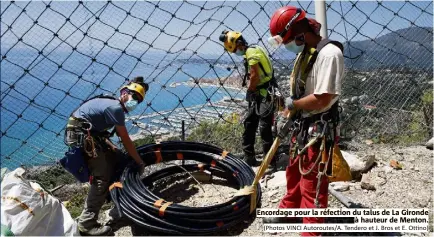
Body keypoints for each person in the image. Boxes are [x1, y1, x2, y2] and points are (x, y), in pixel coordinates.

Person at [264, 6, 345, 237]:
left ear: (300, 34)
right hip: (303, 125)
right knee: (294, 172)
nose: (289, 46)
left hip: (319, 126)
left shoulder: (329, 54)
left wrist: (293, 105)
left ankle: (312, 230)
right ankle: (290, 210)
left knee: (313, 181)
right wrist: (292, 110)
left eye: (290, 40)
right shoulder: (307, 52)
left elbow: (323, 98)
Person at [64, 77, 149, 236]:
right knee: (102, 177)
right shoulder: (115, 108)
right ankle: (86, 224)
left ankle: (121, 202)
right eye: (133, 96)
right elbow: (126, 139)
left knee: (119, 159)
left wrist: (112, 148)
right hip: (82, 137)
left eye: (138, 100)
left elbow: (98, 129)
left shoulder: (110, 103)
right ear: (124, 92)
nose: (134, 101)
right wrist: (139, 161)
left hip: (88, 135)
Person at [219, 30, 279, 168]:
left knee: (264, 128)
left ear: (239, 44)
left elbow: (255, 76)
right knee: (250, 123)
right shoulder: (254, 49)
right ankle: (251, 158)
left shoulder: (251, 52)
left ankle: (269, 162)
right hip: (261, 92)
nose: (236, 53)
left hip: (264, 93)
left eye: (235, 50)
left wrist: (250, 90)